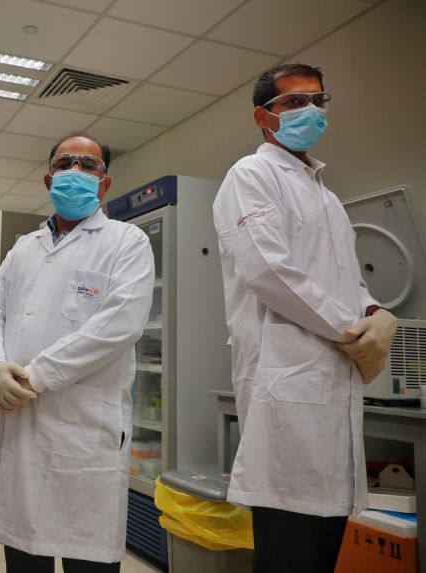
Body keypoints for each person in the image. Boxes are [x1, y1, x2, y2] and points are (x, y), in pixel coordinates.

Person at [212, 63, 398, 573]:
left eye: (318, 101)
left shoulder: (328, 197)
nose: (310, 111)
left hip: (335, 389)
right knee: (287, 554)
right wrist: (355, 333)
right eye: (293, 103)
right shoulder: (250, 176)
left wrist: (377, 314)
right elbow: (269, 270)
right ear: (263, 117)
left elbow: (347, 282)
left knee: (322, 553)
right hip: (286, 389)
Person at [0, 133, 155, 572]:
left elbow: (118, 324)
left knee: (86, 560)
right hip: (21, 429)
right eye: (65, 162)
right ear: (47, 178)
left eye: (88, 165)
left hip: (83, 432)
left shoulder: (126, 242)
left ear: (104, 183)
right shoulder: (23, 248)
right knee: (22, 558)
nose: (75, 171)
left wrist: (34, 377)